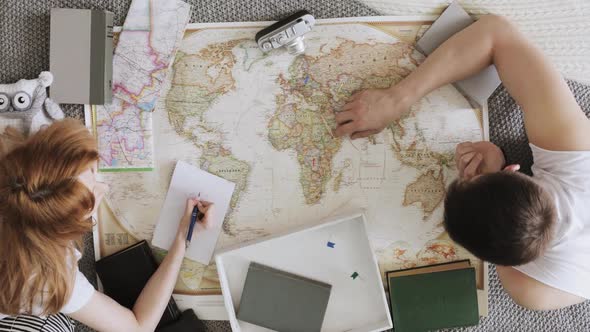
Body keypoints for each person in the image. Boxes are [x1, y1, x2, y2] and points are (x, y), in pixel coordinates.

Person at [335, 15, 590, 310]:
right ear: (512, 169)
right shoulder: (575, 145)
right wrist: (396, 99)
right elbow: (496, 33)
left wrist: (490, 170)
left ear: (512, 167)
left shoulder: (534, 288)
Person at [0, 119, 214, 331]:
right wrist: (182, 238)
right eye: (93, 193)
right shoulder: (47, 280)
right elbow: (137, 328)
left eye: (93, 172)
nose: (104, 186)